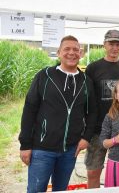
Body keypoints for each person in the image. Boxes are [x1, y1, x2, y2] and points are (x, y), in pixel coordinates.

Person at [18, 35, 97, 193]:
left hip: (70, 150)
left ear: (81, 54)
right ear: (59, 53)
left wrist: (86, 138)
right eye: (67, 49)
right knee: (35, 190)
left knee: (60, 190)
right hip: (42, 149)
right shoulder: (44, 76)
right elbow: (29, 109)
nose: (71, 53)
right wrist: (25, 144)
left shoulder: (86, 81)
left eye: (76, 49)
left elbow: (92, 112)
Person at [84, 29, 119, 188]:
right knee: (93, 171)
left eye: (118, 44)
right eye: (111, 44)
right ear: (104, 45)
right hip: (98, 130)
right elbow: (87, 99)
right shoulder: (93, 68)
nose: (114, 47)